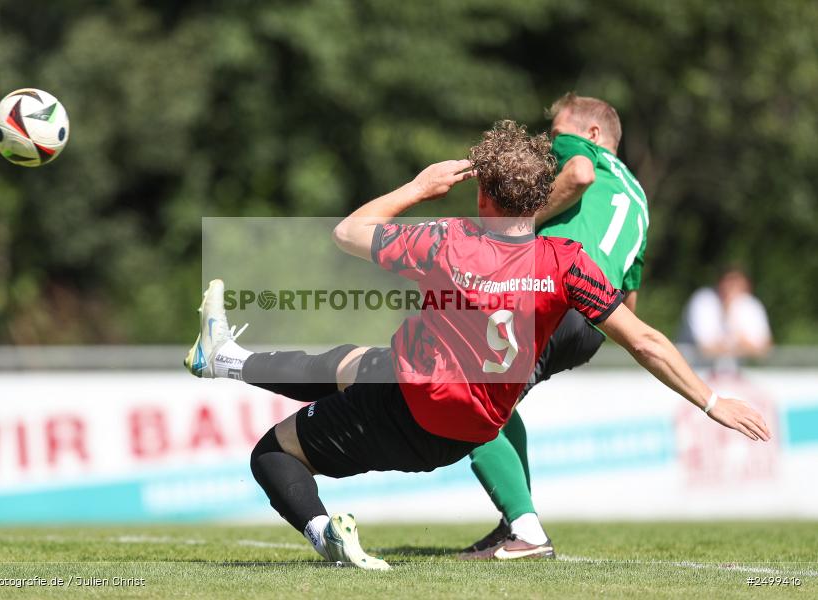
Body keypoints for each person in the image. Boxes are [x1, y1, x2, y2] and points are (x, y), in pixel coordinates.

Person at [184, 121, 770, 570]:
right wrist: (712, 402)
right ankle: (226, 359)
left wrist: (418, 187)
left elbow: (347, 232)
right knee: (351, 362)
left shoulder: (450, 240)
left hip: (408, 407)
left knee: (271, 453)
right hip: (464, 430)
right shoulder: (565, 262)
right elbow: (644, 340)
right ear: (541, 193)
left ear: (483, 197)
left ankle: (324, 536)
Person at [461, 93, 650, 560]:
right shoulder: (639, 200)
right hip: (594, 322)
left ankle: (526, 532)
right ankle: (515, 520)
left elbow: (579, 175)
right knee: (499, 403)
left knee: (469, 401)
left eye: (559, 133)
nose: (552, 143)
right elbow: (630, 296)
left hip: (555, 297)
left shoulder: (584, 157)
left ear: (592, 135)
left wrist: (516, 225)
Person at [678, 266, 772, 372]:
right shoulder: (703, 301)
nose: (731, 288)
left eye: (736, 283)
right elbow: (706, 349)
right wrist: (743, 347)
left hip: (737, 374)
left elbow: (765, 349)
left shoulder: (750, 304)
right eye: (729, 282)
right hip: (696, 371)